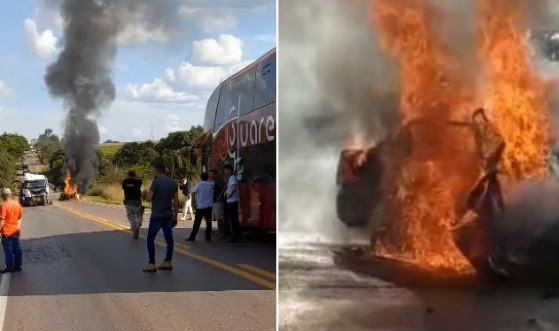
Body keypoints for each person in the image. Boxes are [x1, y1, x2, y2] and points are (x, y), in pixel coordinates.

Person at [143, 163, 179, 273]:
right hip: (168, 215)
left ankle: (152, 263)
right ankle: (167, 261)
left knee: (150, 239)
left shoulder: (156, 182)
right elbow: (176, 201)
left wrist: (148, 192)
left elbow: (148, 198)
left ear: (157, 171)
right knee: (169, 239)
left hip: (157, 216)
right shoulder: (173, 182)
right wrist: (175, 216)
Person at [186, 172, 214, 242]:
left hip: (200, 206)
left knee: (197, 223)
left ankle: (192, 237)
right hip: (208, 206)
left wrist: (193, 202)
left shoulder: (198, 185)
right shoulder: (211, 185)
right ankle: (208, 237)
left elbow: (193, 193)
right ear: (207, 177)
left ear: (201, 177)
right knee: (208, 222)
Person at [0, 188, 23, 273]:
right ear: (10, 194)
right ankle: (18, 266)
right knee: (17, 249)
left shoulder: (4, 206)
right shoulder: (17, 204)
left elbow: (2, 220)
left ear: (2, 196)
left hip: (6, 232)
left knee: (8, 251)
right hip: (16, 231)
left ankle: (9, 267)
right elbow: (20, 217)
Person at [122, 170, 144, 239]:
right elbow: (139, 185)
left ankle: (134, 227)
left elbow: (123, 188)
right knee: (139, 214)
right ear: (135, 175)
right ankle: (138, 224)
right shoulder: (138, 181)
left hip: (128, 201)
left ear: (128, 175)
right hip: (137, 201)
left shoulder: (125, 181)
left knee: (131, 216)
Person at [223, 164, 241, 243]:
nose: (225, 172)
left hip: (232, 201)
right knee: (233, 219)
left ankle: (235, 237)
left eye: (226, 170)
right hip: (231, 201)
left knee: (233, 220)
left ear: (230, 171)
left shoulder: (232, 178)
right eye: (224, 171)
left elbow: (234, 188)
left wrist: (229, 194)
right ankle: (237, 235)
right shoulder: (230, 179)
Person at [210, 169, 228, 240]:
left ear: (216, 174)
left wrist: (220, 195)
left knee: (219, 218)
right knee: (218, 218)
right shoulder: (215, 181)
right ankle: (220, 232)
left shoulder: (219, 180)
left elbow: (225, 187)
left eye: (212, 174)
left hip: (218, 201)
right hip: (215, 201)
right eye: (210, 174)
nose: (211, 176)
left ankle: (222, 233)